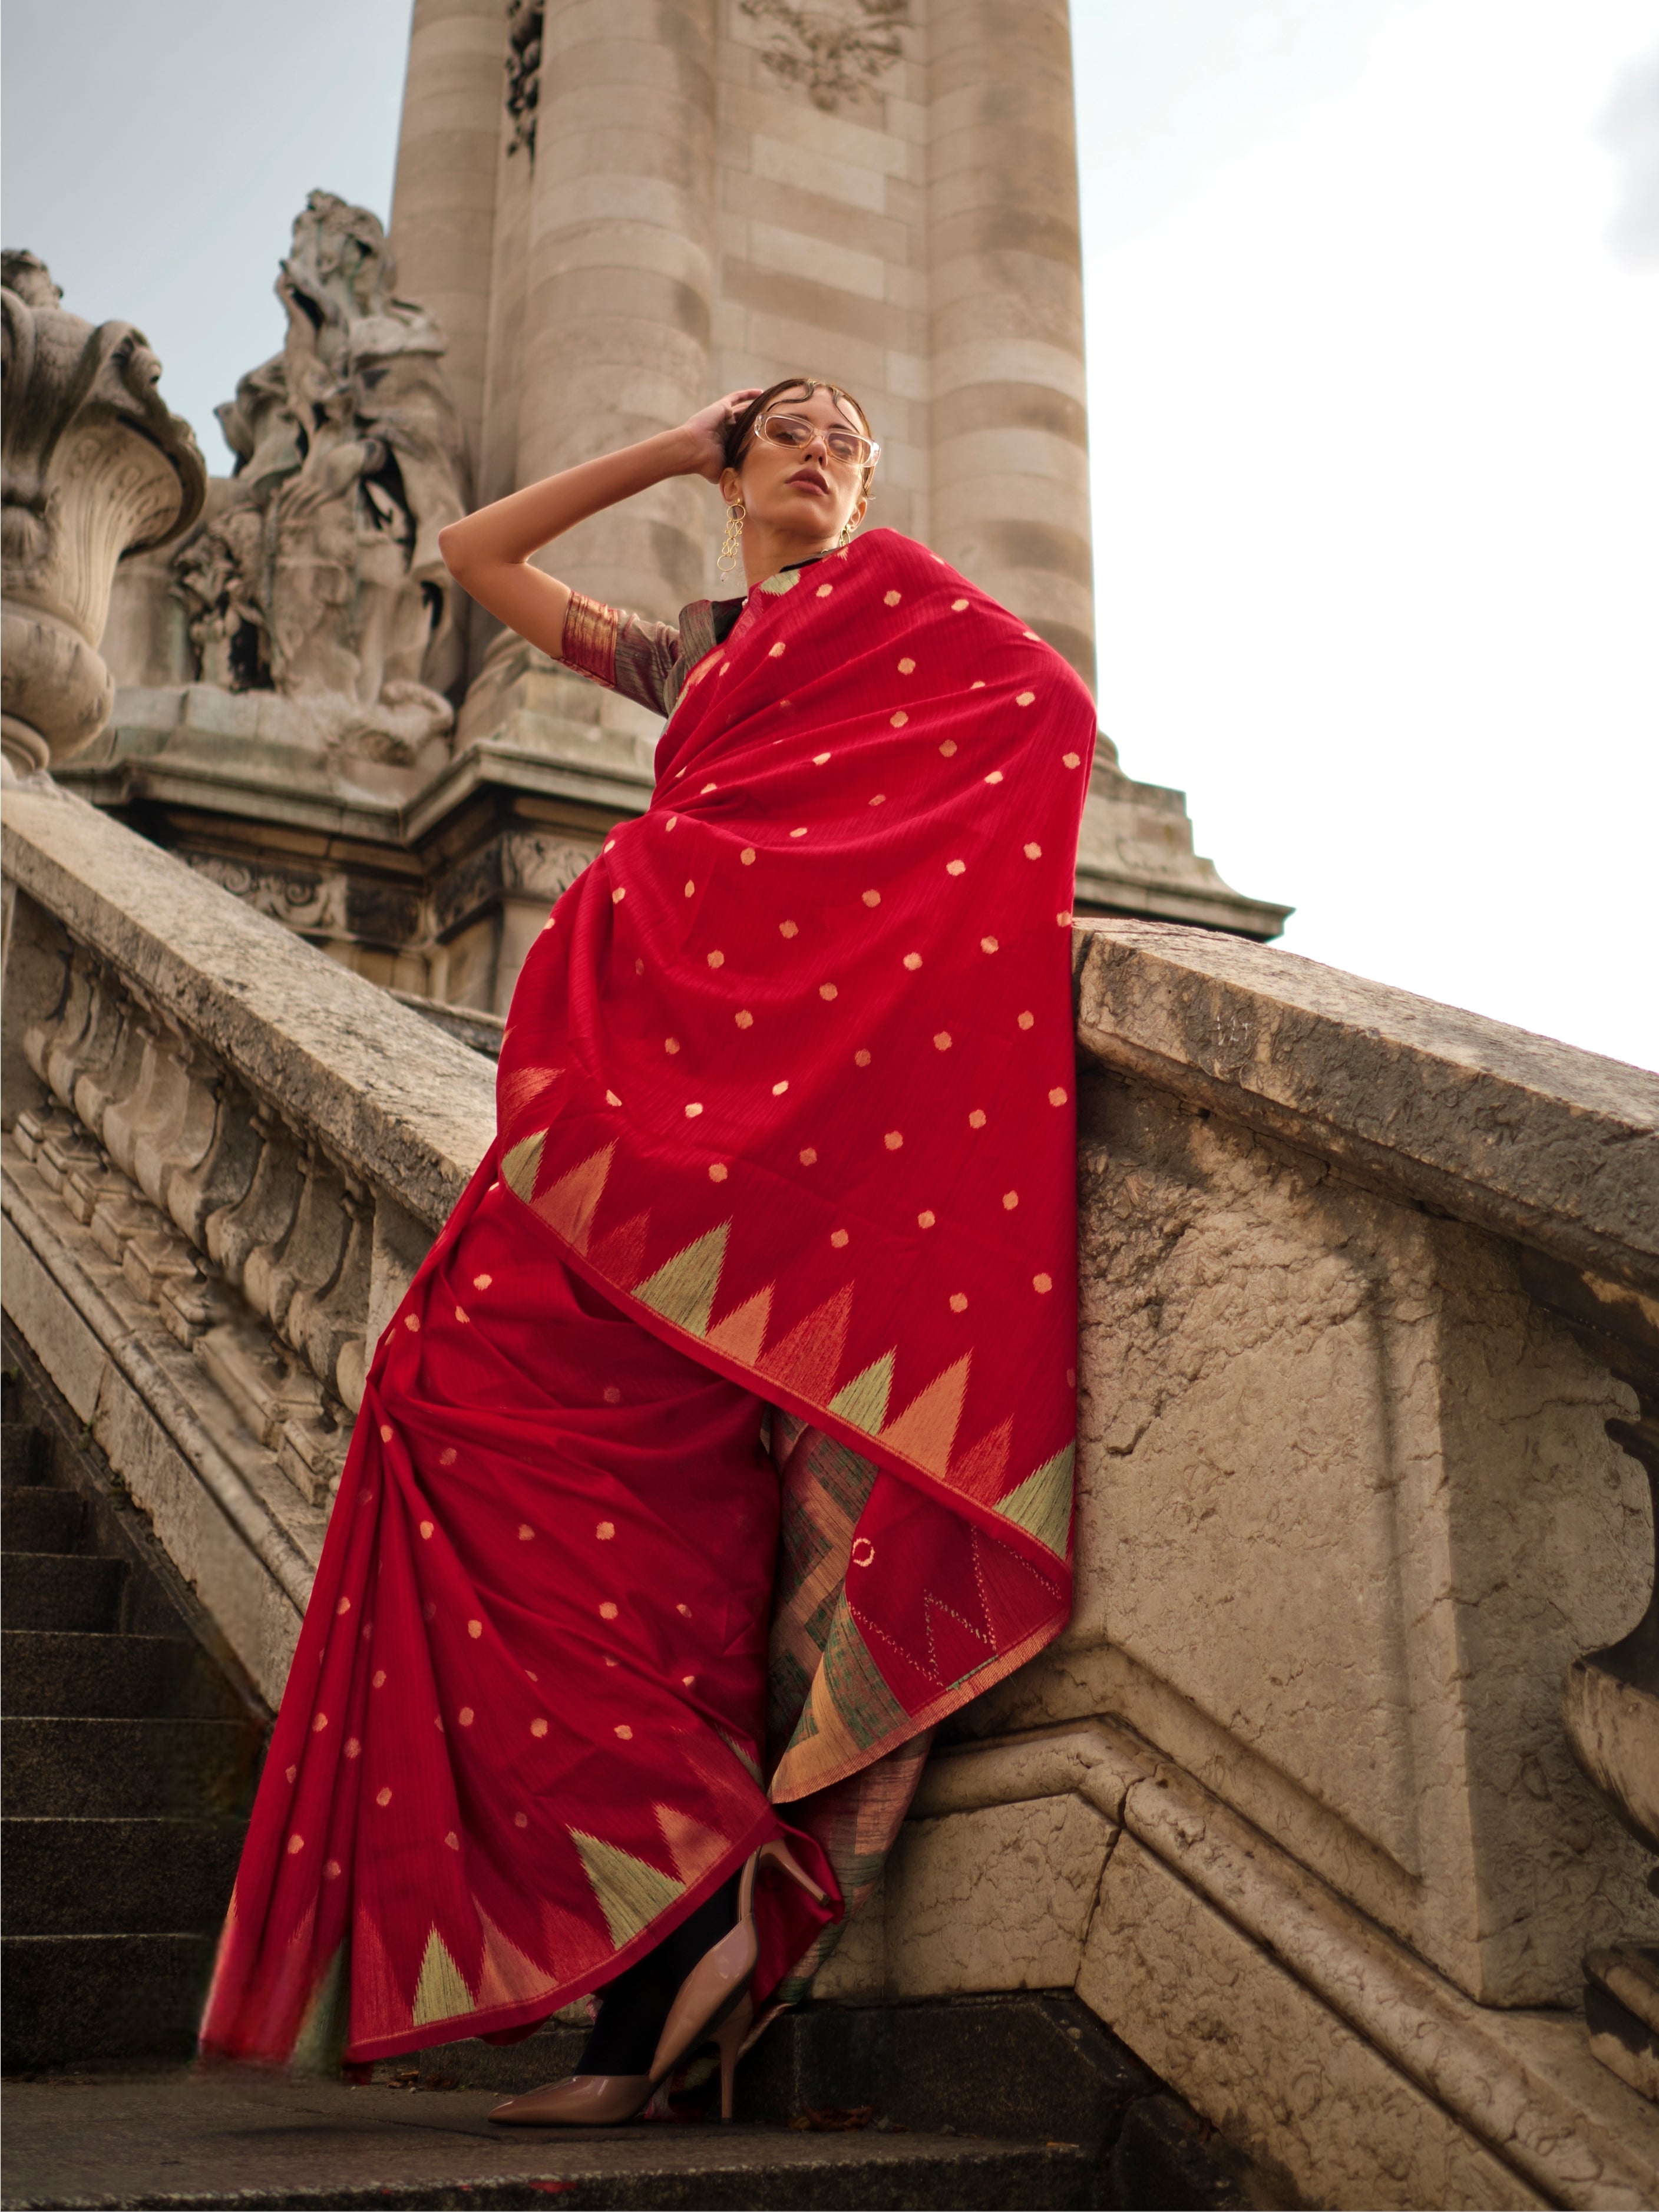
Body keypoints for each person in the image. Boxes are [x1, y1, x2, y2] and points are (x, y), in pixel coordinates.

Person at [200, 378, 1096, 2126]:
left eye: (848, 434)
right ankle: (676, 1926)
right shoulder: (688, 654)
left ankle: (660, 1972)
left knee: (661, 1559)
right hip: (619, 1114)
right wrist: (672, 445)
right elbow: (471, 554)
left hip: (756, 1161)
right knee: (431, 1407)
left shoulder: (904, 608)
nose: (821, 451)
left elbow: (1047, 718)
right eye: (787, 433)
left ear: (877, 481)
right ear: (738, 470)